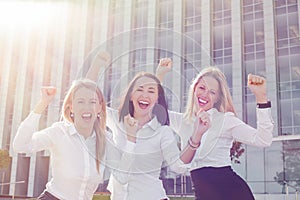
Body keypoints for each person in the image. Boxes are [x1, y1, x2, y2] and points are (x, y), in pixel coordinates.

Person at [86, 54, 209, 200]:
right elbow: (87, 95)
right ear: (131, 95)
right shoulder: (117, 120)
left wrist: (196, 137)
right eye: (139, 90)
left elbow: (178, 166)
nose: (145, 95)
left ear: (157, 100)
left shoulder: (162, 132)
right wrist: (95, 67)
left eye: (151, 92)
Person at [156, 58, 274, 200]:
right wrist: (159, 77)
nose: (205, 94)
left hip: (233, 192)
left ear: (218, 98)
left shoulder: (225, 120)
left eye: (212, 92)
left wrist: (261, 98)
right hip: (203, 192)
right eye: (202, 88)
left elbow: (263, 140)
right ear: (194, 88)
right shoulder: (183, 121)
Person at [13, 78, 135, 200]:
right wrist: (42, 104)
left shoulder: (105, 140)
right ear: (71, 108)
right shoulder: (60, 132)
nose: (86, 107)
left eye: (92, 102)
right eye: (80, 102)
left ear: (99, 107)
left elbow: (122, 177)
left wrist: (131, 139)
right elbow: (20, 146)